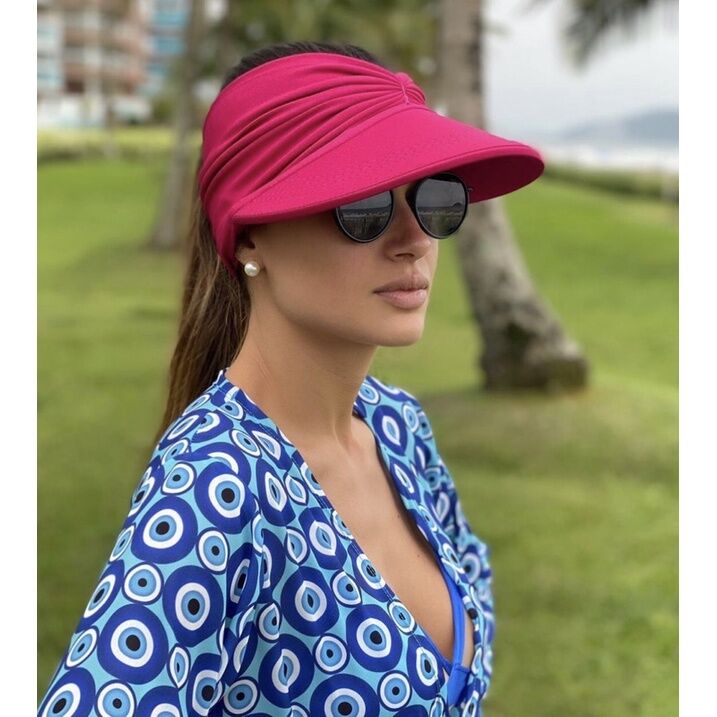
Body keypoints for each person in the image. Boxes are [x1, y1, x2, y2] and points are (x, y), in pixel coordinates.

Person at [38, 41, 544, 717]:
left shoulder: (397, 427)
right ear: (250, 236)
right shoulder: (216, 487)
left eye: (435, 199)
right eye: (363, 207)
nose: (414, 240)